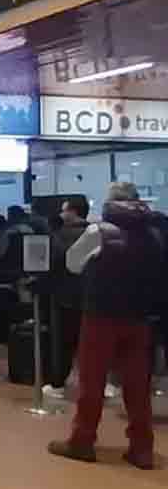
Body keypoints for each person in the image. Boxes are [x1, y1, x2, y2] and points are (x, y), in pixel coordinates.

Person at [49, 183, 163, 470]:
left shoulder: (99, 231)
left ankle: (82, 441)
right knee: (138, 385)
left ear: (110, 202)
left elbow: (73, 264)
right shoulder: (153, 233)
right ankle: (142, 449)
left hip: (101, 314)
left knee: (93, 381)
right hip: (140, 317)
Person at [44, 197, 90, 397]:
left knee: (63, 342)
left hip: (65, 295)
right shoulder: (96, 234)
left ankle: (57, 384)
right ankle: (95, 383)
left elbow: (52, 263)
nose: (62, 214)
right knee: (91, 342)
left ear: (73, 212)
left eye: (64, 210)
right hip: (92, 295)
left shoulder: (60, 236)